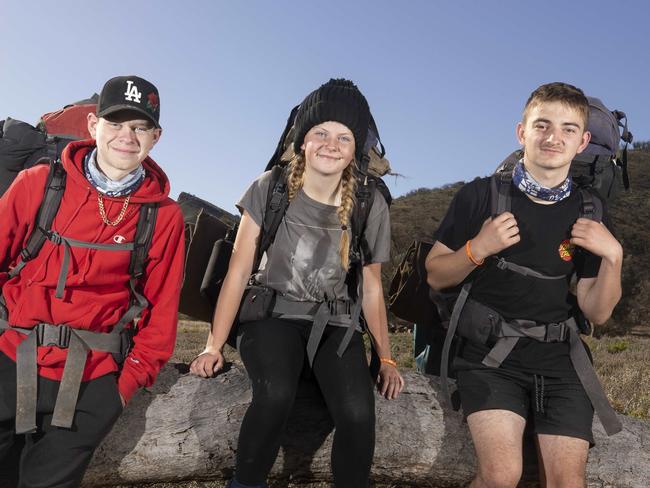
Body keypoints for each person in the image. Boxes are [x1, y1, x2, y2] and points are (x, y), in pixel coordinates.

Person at [190, 78, 404, 488]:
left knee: (358, 415)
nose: (331, 143)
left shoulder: (368, 200)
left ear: (357, 147)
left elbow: (372, 286)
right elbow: (238, 269)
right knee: (274, 395)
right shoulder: (269, 186)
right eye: (320, 132)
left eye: (344, 136)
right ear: (302, 139)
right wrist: (213, 345)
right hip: (270, 315)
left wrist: (387, 357)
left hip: (336, 326)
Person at [425, 82, 623, 488]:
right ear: (522, 132)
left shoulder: (590, 210)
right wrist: (478, 248)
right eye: (543, 125)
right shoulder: (480, 195)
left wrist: (613, 258)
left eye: (568, 129)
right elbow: (435, 273)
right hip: (489, 356)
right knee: (501, 476)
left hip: (561, 361)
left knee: (568, 483)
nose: (554, 138)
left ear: (583, 141)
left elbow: (597, 310)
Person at [0, 75, 185, 487]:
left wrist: (120, 390)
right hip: (10, 357)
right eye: (116, 123)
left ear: (156, 136)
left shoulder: (164, 217)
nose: (126, 137)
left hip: (91, 380)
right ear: (92, 126)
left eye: (139, 127)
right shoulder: (39, 184)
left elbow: (161, 313)